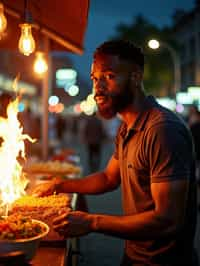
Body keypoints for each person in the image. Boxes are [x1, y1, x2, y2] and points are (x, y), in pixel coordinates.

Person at [32, 40, 197, 265]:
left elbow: (168, 220)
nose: (97, 88)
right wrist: (58, 185)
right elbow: (108, 178)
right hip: (133, 256)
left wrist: (92, 222)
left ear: (136, 77)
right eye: (94, 78)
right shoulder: (126, 127)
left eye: (109, 76)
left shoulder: (162, 130)